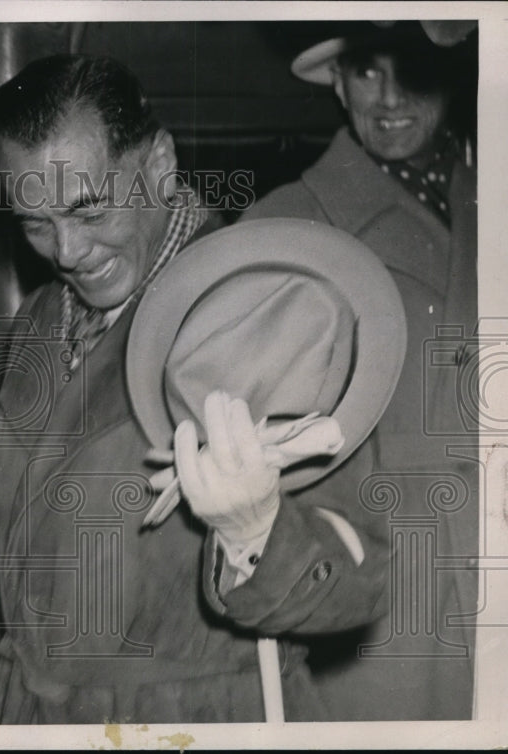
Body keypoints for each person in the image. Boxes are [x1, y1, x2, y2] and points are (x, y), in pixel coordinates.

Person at [0, 54, 399, 723]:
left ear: (160, 166)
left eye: (89, 210)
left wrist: (256, 528)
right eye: (34, 222)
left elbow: (360, 582)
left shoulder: (261, 304)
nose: (65, 251)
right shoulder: (37, 318)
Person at [241, 21, 478, 720]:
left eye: (413, 74)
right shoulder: (285, 223)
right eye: (368, 73)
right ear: (338, 86)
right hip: (387, 605)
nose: (391, 97)